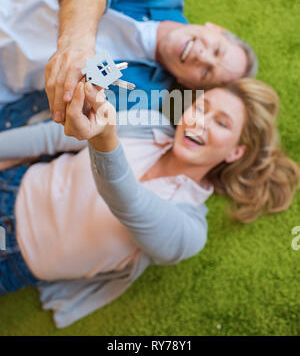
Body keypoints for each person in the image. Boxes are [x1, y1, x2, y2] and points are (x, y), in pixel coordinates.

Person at [0, 77, 299, 328]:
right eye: (199, 108)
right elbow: (53, 137)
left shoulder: (190, 231)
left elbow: (127, 203)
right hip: (12, 184)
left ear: (235, 152)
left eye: (221, 123)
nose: (199, 122)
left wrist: (105, 139)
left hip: (11, 256)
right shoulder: (149, 125)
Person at [0, 0, 258, 124]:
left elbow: (71, 115)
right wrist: (76, 47)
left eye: (206, 72)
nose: (201, 56)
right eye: (217, 51)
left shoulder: (144, 97)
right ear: (215, 28)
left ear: (189, 84)